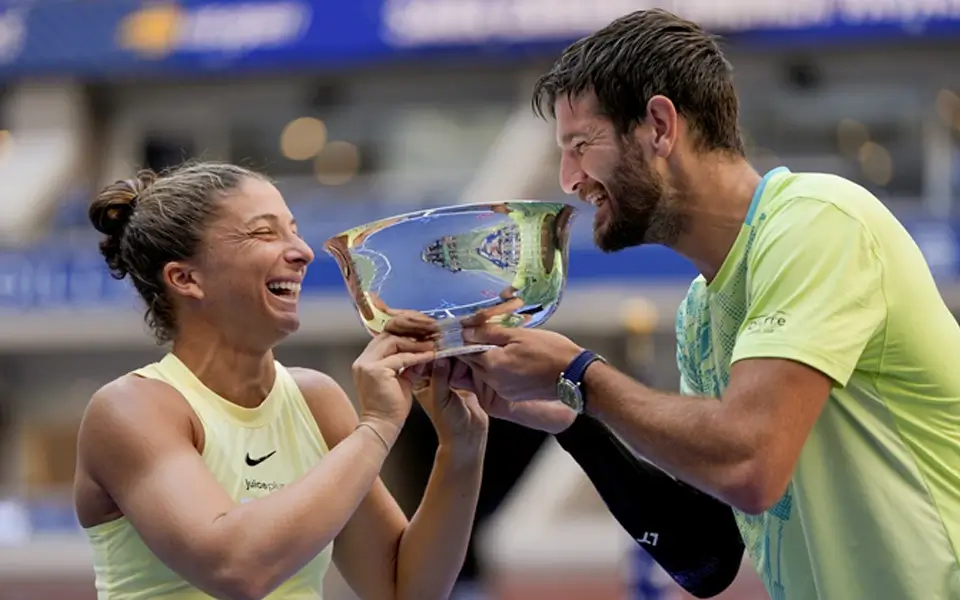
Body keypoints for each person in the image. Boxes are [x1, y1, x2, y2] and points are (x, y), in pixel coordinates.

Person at [456, 9, 960, 600]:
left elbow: (749, 465)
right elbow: (707, 555)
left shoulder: (818, 222)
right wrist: (572, 420)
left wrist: (578, 374)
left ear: (660, 127)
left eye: (580, 145)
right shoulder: (701, 310)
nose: (568, 179)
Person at [73, 162, 489, 600]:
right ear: (186, 278)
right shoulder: (131, 408)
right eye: (264, 233)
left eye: (293, 230)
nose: (303, 252)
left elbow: (403, 590)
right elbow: (235, 568)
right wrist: (378, 426)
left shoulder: (315, 400)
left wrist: (461, 448)